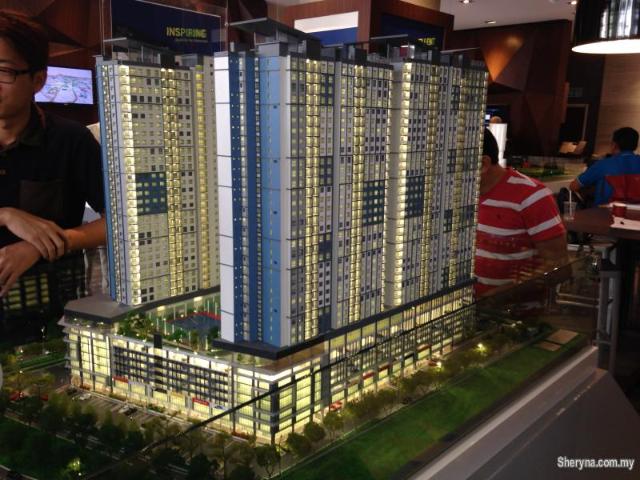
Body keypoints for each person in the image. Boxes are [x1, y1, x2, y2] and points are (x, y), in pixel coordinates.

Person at [0, 12, 105, 319]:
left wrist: (45, 244)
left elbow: (119, 222)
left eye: (4, 72)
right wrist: (6, 215)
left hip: (51, 312)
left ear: (38, 80)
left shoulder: (71, 140)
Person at [475, 129, 568, 296]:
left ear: (483, 164)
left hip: (512, 309)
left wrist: (497, 297)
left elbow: (559, 267)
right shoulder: (457, 198)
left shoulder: (533, 196)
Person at [570, 127, 640, 205]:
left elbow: (574, 186)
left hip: (605, 211)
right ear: (636, 146)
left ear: (614, 145)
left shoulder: (603, 164)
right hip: (636, 211)